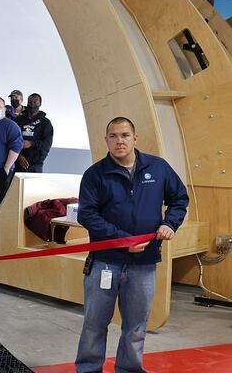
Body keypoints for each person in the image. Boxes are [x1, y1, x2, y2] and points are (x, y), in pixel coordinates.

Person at [75, 117, 188, 373]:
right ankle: (88, 369)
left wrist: (170, 223)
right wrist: (122, 241)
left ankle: (129, 369)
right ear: (106, 140)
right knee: (94, 324)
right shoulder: (95, 174)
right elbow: (87, 215)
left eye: (125, 135)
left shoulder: (158, 168)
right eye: (113, 136)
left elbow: (180, 198)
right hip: (105, 263)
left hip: (143, 265)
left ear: (135, 138)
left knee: (136, 326)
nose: (119, 141)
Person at [13, 93, 53, 173]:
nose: (32, 104)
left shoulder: (45, 123)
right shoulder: (18, 120)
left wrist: (31, 143)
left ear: (40, 103)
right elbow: (11, 140)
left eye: (35, 102)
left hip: (35, 166)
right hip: (17, 163)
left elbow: (47, 144)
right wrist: (18, 156)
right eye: (30, 102)